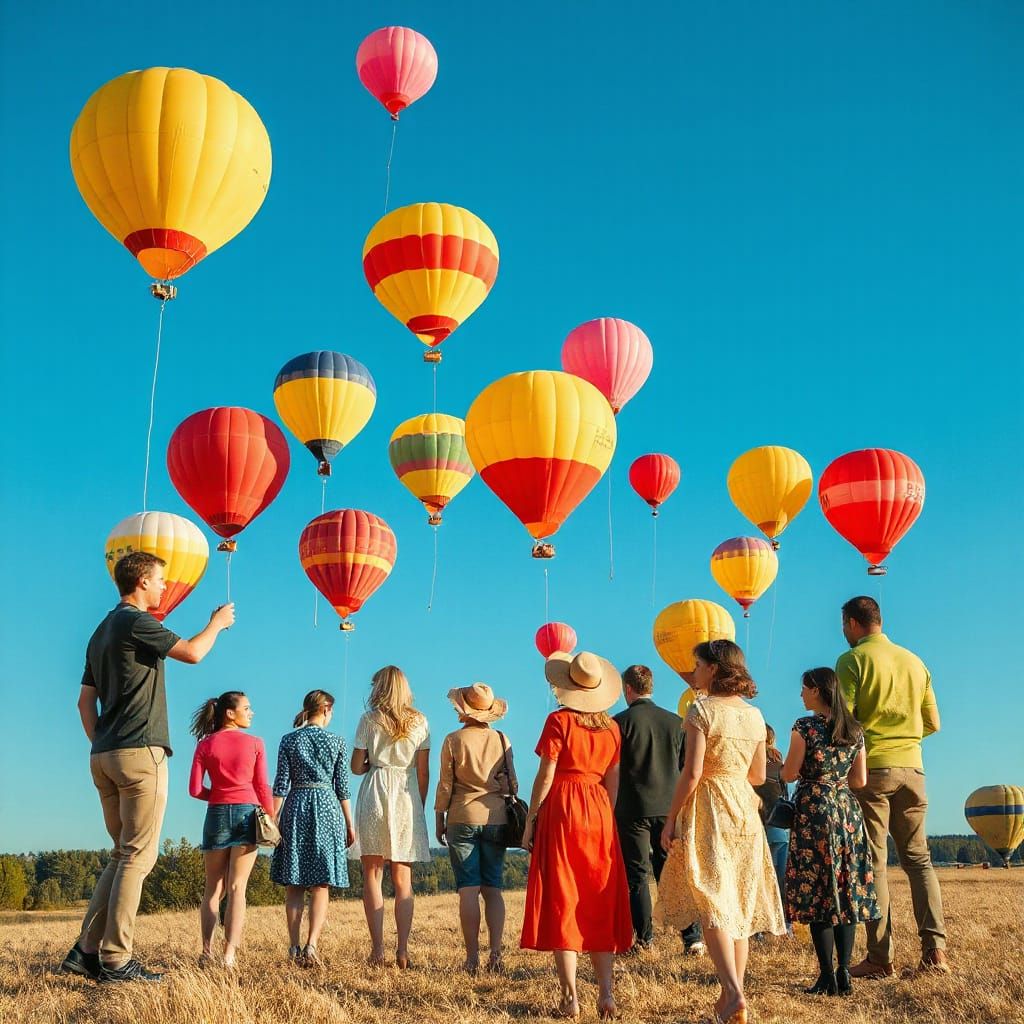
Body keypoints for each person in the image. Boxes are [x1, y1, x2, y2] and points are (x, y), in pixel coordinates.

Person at [61, 552, 234, 984]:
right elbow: (193, 653)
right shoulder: (136, 621)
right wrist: (217, 624)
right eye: (159, 580)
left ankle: (85, 952)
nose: (163, 587)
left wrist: (102, 741)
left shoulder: (100, 631)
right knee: (139, 855)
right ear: (140, 580)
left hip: (104, 754)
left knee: (123, 854)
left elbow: (85, 701)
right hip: (140, 753)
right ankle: (117, 959)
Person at [658, 640, 785, 1024]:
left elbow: (692, 772)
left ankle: (732, 992)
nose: (693, 672)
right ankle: (733, 996)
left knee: (713, 896)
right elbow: (760, 775)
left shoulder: (701, 710)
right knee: (739, 901)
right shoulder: (754, 715)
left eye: (697, 665)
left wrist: (671, 817)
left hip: (710, 804)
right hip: (744, 807)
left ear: (713, 669)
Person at [836, 596, 948, 977]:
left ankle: (881, 957)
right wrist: (907, 738)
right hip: (914, 768)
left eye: (843, 625)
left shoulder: (851, 661)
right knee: (919, 860)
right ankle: (935, 952)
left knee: (875, 863)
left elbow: (845, 722)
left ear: (851, 623)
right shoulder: (915, 662)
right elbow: (933, 722)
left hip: (873, 769)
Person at [521, 651, 633, 1021]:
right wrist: (604, 813)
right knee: (598, 898)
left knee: (564, 898)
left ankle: (570, 997)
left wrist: (531, 816)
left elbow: (546, 775)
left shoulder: (558, 721)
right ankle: (607, 994)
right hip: (599, 808)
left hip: (563, 807)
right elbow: (613, 781)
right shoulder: (612, 728)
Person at [781, 669, 880, 996]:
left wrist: (782, 769)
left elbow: (791, 773)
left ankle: (825, 976)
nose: (801, 695)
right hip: (847, 812)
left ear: (817, 691)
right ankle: (844, 972)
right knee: (846, 888)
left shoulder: (804, 727)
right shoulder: (854, 730)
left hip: (814, 812)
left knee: (817, 891)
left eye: (804, 688)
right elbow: (860, 781)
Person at [613, 664, 704, 956]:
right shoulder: (674, 721)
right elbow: (684, 766)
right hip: (669, 808)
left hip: (632, 809)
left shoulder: (619, 723)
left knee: (637, 875)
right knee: (672, 872)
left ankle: (645, 939)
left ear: (628, 689)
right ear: (651, 686)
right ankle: (693, 938)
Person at [350, 666, 430, 969]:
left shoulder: (369, 720)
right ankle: (403, 949)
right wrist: (418, 805)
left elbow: (357, 767)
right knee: (403, 877)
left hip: (376, 787)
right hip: (407, 793)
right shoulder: (420, 721)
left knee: (372, 873)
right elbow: (423, 770)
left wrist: (371, 759)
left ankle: (378, 949)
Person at [434, 683, 517, 974]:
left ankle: (471, 959)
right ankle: (496, 954)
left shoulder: (453, 740)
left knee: (468, 890)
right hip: (496, 817)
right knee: (493, 888)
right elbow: (513, 785)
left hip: (461, 815)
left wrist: (439, 818)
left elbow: (445, 785)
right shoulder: (502, 739)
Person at [188, 691, 273, 969]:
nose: (251, 712)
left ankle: (206, 951)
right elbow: (262, 787)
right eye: (247, 708)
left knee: (213, 888)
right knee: (238, 887)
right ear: (230, 713)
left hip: (215, 814)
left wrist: (218, 795)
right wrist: (270, 818)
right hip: (247, 813)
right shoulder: (255, 743)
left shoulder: (205, 745)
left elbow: (195, 789)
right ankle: (229, 956)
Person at [271, 689, 355, 967]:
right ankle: (312, 945)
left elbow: (281, 785)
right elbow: (342, 787)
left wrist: (273, 818)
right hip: (328, 807)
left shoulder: (288, 740)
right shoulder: (337, 742)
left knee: (294, 882)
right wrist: (349, 823)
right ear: (327, 709)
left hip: (296, 805)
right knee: (321, 883)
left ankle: (293, 947)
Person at [752, 724, 791, 937]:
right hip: (779, 826)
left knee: (758, 878)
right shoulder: (779, 764)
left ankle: (758, 926)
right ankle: (785, 924)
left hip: (756, 826)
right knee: (780, 878)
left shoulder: (749, 764)